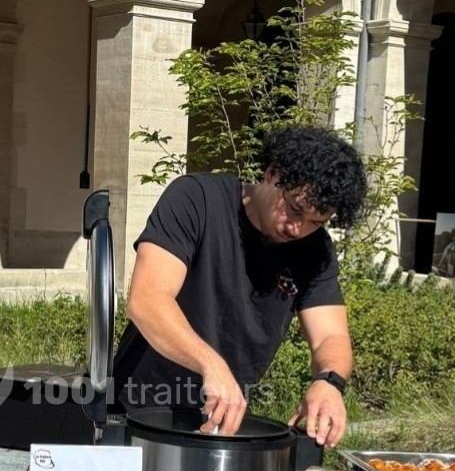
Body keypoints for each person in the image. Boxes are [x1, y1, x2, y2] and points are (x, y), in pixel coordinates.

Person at [111, 125, 367, 448]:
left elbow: (331, 335)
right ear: (272, 173)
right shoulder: (197, 200)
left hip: (219, 424)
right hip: (136, 411)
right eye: (294, 208)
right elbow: (146, 300)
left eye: (316, 222)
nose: (297, 227)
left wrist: (329, 381)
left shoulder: (315, 251)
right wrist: (210, 363)